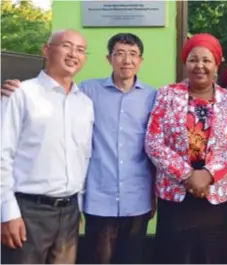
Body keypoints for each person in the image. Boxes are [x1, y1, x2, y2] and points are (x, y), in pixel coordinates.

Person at [1, 33, 157, 264]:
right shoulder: (84, 92)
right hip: (64, 205)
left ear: (141, 60)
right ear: (108, 58)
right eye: (120, 54)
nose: (126, 60)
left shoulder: (150, 97)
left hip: (112, 204)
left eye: (133, 54)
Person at [145, 33, 227, 264]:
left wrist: (209, 174)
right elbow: (153, 142)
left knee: (216, 255)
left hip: (218, 195)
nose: (199, 66)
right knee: (175, 256)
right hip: (176, 191)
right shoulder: (166, 95)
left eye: (206, 60)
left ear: (216, 64)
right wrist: (187, 175)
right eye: (193, 59)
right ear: (185, 62)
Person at [0, 29, 93, 264]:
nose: (74, 54)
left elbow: (83, 156)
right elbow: (3, 153)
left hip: (69, 212)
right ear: (46, 49)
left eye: (80, 50)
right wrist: (7, 212)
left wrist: (78, 206)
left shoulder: (84, 103)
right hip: (28, 212)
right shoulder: (21, 94)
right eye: (67, 46)